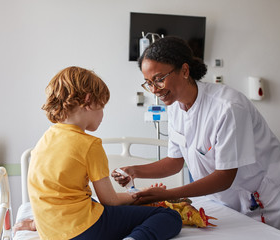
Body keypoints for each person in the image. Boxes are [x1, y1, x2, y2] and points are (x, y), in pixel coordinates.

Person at [111, 36, 280, 233]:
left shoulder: (228, 107)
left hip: (260, 197)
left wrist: (166, 195)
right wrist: (134, 170)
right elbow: (174, 162)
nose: (154, 90)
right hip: (222, 199)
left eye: (159, 79)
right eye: (148, 83)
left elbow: (224, 177)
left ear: (184, 70)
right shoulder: (175, 107)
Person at [27, 66, 182, 240]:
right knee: (168, 216)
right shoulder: (89, 144)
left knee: (94, 203)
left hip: (50, 231)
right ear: (88, 101)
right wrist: (135, 195)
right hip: (84, 230)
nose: (102, 115)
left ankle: (32, 224)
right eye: (102, 107)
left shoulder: (44, 140)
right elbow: (110, 202)